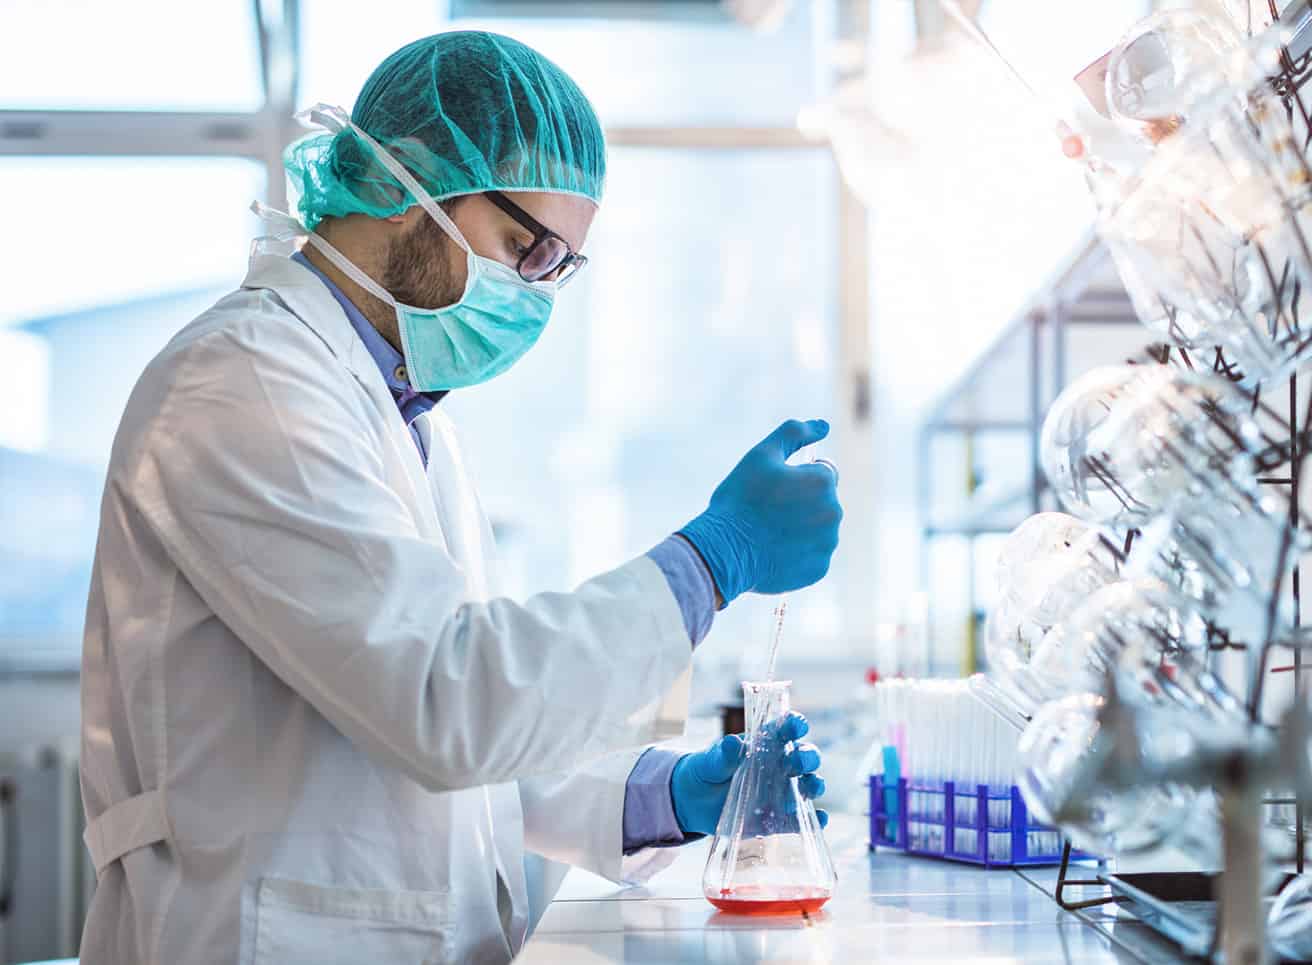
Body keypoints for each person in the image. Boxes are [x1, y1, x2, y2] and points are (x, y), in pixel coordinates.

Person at [77, 31, 842, 965]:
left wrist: (658, 796)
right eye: (524, 245)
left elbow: (479, 742)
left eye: (558, 266)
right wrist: (710, 561)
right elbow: (447, 700)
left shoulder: (404, 418)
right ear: (406, 183)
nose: (535, 294)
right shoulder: (245, 382)